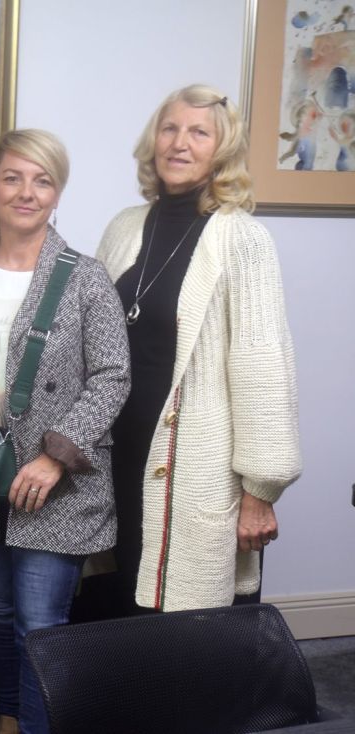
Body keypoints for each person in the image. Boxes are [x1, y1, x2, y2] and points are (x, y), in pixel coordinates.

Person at [0, 129, 130, 734]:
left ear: (57, 192)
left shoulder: (86, 277)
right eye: (13, 178)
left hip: (57, 487)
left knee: (39, 625)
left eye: (42, 180)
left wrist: (55, 457)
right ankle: (8, 721)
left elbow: (113, 377)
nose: (27, 192)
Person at [94, 85, 301, 616]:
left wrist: (260, 492)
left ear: (222, 151)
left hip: (194, 469)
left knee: (188, 628)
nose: (179, 143)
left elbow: (263, 371)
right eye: (170, 129)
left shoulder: (243, 240)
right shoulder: (123, 227)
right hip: (118, 457)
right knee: (119, 611)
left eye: (198, 132)